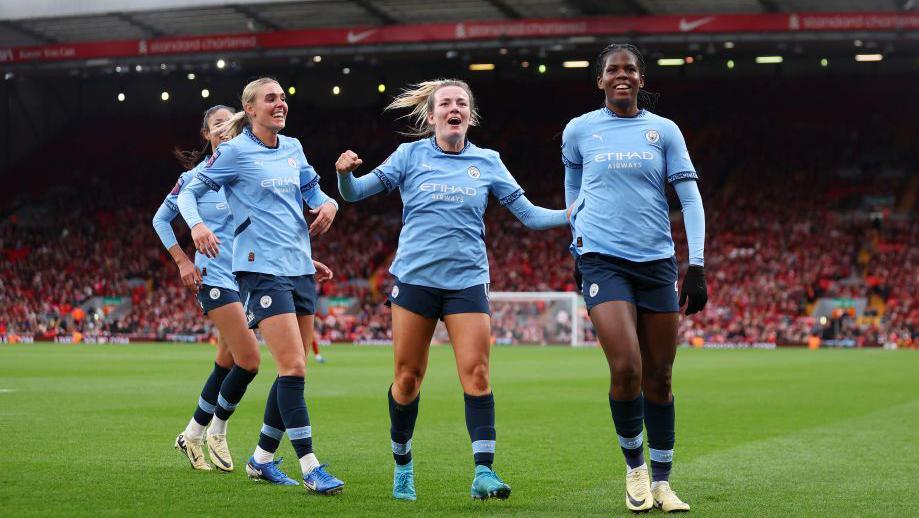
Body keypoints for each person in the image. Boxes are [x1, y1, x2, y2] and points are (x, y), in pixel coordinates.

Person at [335, 79, 569, 502]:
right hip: (415, 282)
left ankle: (484, 472)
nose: (454, 108)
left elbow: (530, 217)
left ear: (470, 115)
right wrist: (344, 175)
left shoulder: (489, 161)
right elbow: (355, 194)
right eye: (446, 103)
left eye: (461, 102)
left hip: (467, 283)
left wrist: (574, 214)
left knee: (477, 374)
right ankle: (403, 465)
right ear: (432, 116)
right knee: (407, 380)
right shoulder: (410, 155)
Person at [177, 77, 344, 494]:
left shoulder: (294, 148)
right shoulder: (234, 152)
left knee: (297, 367)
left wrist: (330, 203)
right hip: (259, 269)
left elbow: (312, 191)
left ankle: (262, 459)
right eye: (271, 98)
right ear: (249, 109)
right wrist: (196, 225)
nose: (280, 103)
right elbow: (188, 194)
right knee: (291, 366)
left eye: (284, 97)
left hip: (299, 267)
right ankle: (310, 466)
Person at [562, 43, 707, 513]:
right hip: (603, 261)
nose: (621, 75)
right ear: (600, 81)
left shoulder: (663, 131)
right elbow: (573, 190)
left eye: (629, 69)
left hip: (657, 264)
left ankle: (663, 482)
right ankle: (635, 470)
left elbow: (690, 200)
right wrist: (576, 239)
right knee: (626, 366)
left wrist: (697, 265)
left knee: (660, 377)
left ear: (641, 79)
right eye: (612, 70)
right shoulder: (579, 131)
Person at [151, 105, 261, 473]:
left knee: (225, 362)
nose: (226, 130)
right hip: (214, 277)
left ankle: (192, 434)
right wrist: (183, 260)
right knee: (250, 360)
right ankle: (218, 430)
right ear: (207, 135)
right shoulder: (194, 178)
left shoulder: (245, 171)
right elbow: (161, 218)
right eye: (218, 125)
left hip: (247, 274)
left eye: (231, 123)